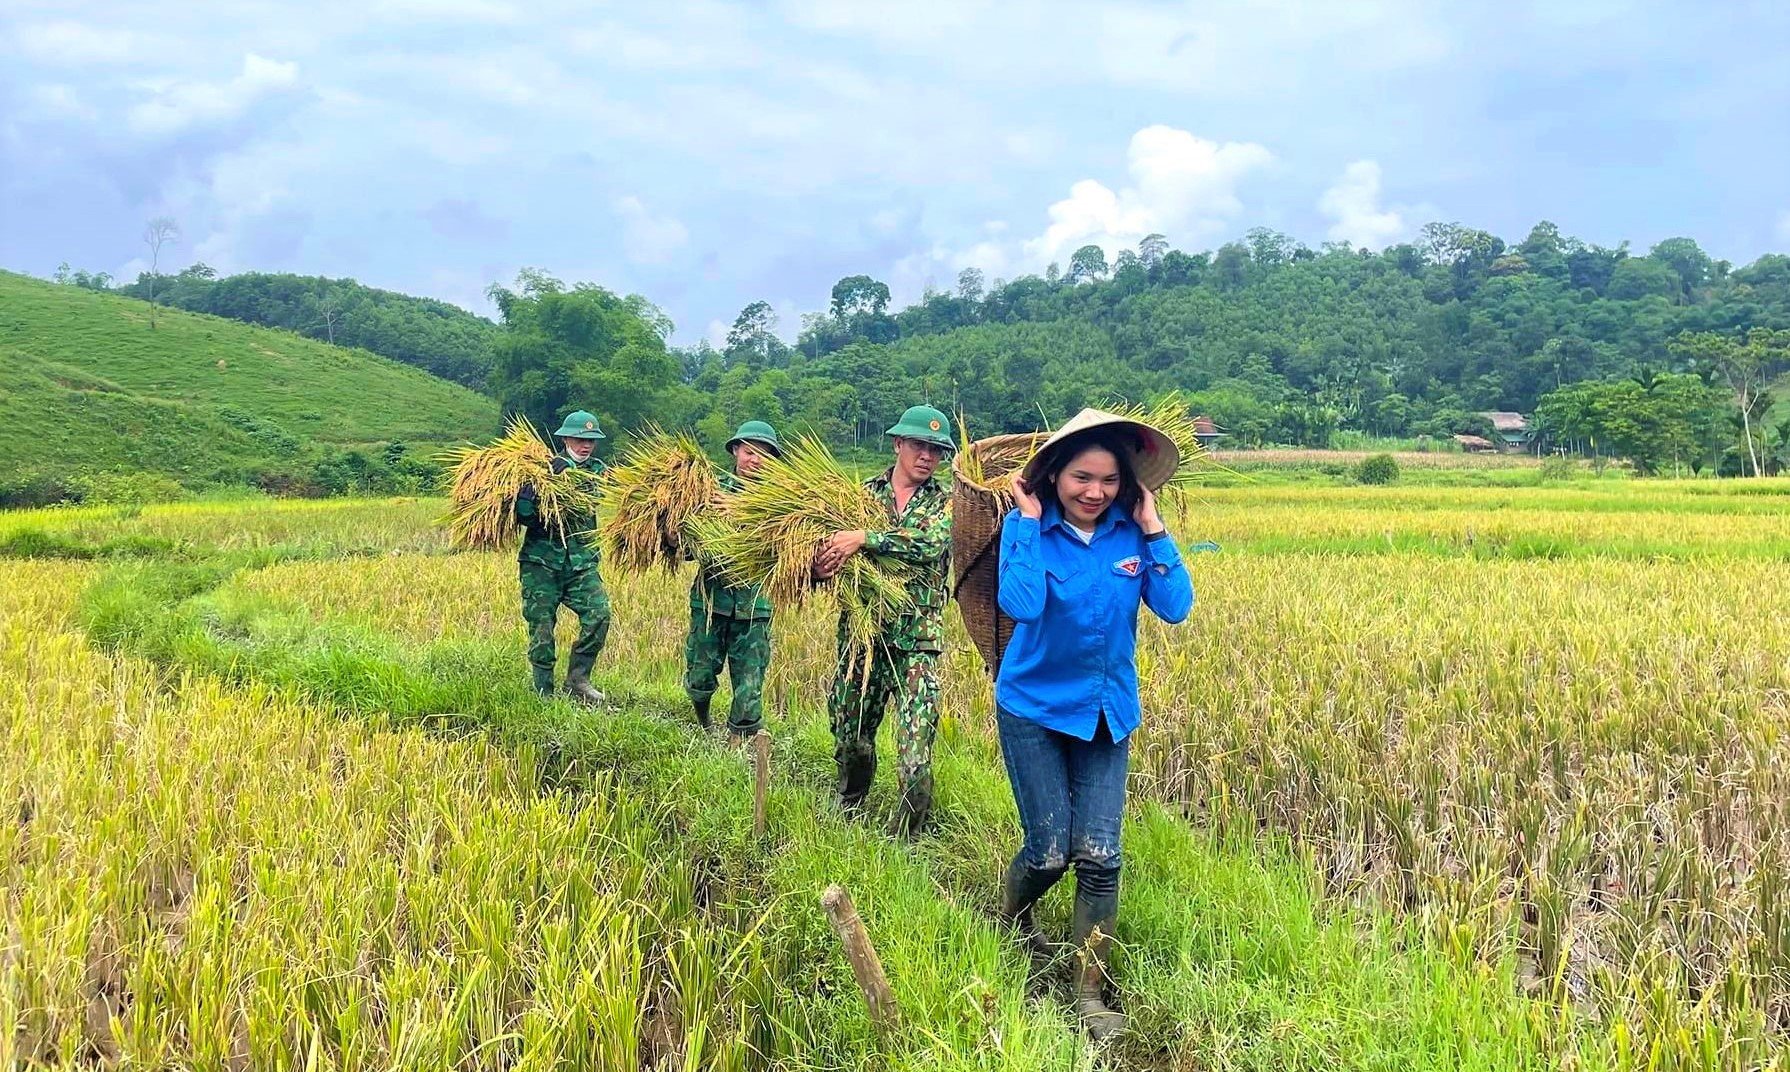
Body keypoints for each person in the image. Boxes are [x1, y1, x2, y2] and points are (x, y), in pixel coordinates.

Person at [994, 408, 1195, 1040]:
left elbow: (1175, 606)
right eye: (1082, 477)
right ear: (1054, 476)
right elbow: (1021, 604)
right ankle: (1009, 917)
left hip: (1108, 713)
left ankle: (1088, 993)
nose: (1094, 492)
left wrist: (1155, 529)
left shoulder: (1131, 536)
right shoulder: (1026, 531)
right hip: (1033, 710)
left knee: (1102, 858)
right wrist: (1026, 525)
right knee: (1050, 852)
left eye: (1110, 481)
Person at [813, 404, 955, 838]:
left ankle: (907, 838)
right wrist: (820, 566)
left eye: (935, 449)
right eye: (918, 445)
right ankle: (850, 804)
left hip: (917, 643)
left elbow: (930, 544)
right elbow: (826, 552)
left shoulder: (948, 503)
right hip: (864, 639)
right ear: (898, 444)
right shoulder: (859, 496)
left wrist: (864, 538)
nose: (927, 456)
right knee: (850, 736)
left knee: (915, 754)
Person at [685, 420, 783, 741]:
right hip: (711, 600)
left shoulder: (780, 502)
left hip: (755, 605)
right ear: (735, 452)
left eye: (764, 454)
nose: (755, 459)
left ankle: (740, 738)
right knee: (700, 673)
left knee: (750, 679)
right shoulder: (710, 492)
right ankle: (701, 721)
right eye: (749, 451)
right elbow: (688, 547)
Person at [514, 410, 611, 704]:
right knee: (541, 626)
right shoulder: (540, 470)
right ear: (566, 438)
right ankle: (543, 690)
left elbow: (592, 495)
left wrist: (565, 477)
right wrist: (532, 492)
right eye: (580, 439)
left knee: (599, 615)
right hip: (542, 563)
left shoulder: (598, 471)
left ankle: (578, 679)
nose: (586, 445)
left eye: (591, 440)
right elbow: (524, 518)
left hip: (581, 564)